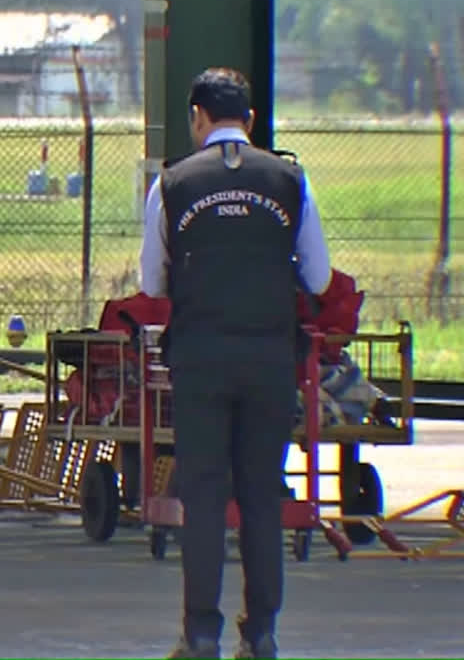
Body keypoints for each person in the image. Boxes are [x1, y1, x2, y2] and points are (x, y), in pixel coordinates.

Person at [138, 67, 332, 660]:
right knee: (260, 496)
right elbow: (320, 276)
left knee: (203, 496)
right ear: (249, 121)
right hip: (269, 358)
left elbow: (152, 280)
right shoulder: (290, 179)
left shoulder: (171, 184)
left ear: (197, 117)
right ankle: (262, 632)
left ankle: (200, 634)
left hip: (200, 358)